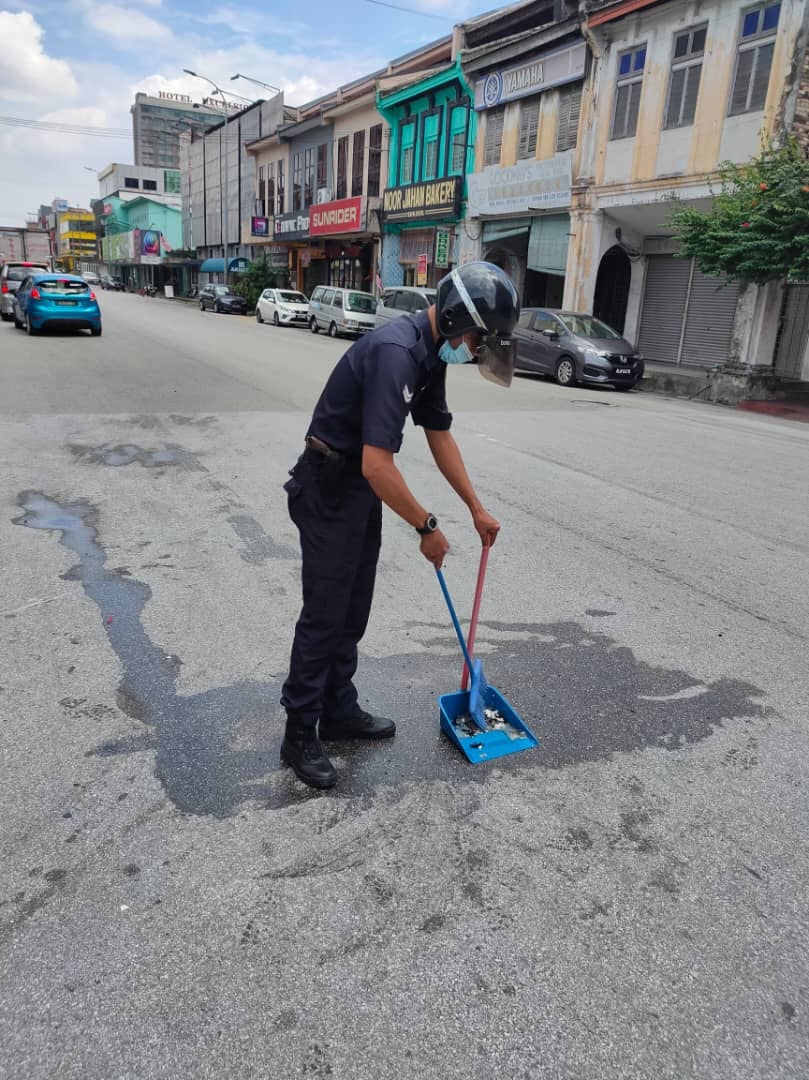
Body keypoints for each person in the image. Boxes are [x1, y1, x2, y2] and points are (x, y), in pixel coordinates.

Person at [279, 261, 520, 789]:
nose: (479, 349)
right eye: (480, 337)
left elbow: (439, 434)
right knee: (325, 615)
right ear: (459, 318)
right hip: (328, 488)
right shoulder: (396, 352)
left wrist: (476, 507)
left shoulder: (432, 354)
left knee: (353, 609)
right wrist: (426, 526)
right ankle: (298, 732)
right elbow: (376, 463)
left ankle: (338, 709)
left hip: (358, 491)